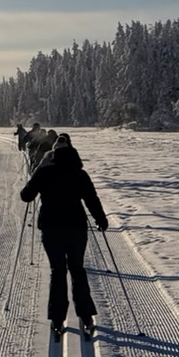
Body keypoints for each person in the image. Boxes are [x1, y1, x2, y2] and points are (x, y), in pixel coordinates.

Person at [19, 135, 110, 340]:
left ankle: (57, 317)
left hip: (51, 228)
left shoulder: (45, 171)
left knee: (58, 271)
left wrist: (38, 169)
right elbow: (91, 199)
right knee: (77, 269)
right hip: (76, 227)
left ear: (53, 154)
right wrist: (101, 219)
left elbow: (26, 196)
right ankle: (86, 315)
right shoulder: (79, 173)